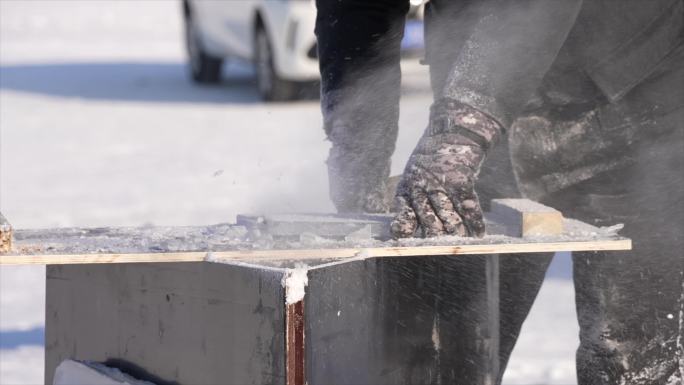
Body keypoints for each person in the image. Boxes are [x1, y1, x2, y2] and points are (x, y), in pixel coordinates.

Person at [314, 0, 684, 383]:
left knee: (628, 356)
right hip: (481, 94)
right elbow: (356, 7)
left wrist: (462, 132)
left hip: (632, 96)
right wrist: (358, 143)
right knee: (445, 354)